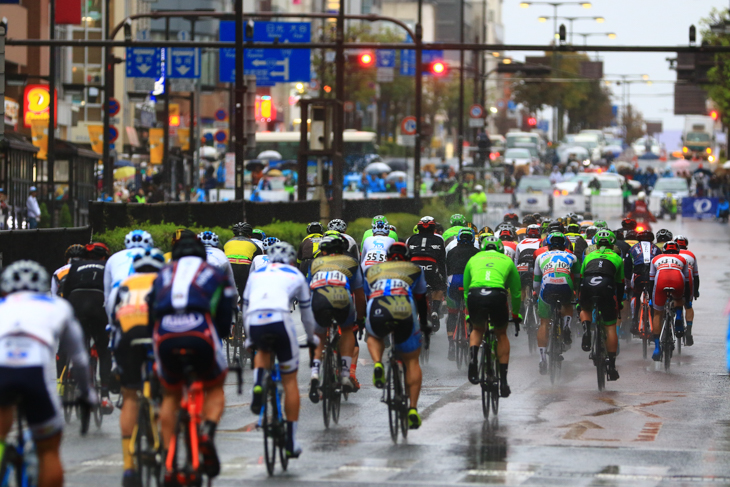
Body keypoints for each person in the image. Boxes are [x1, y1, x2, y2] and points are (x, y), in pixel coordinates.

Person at [0, 260, 95, 487]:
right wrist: (87, 393)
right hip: (35, 376)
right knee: (49, 450)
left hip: (3, 373)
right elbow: (80, 359)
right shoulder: (57, 307)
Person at [148, 236, 236, 480]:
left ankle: (167, 459)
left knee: (171, 393)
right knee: (216, 385)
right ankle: (206, 430)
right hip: (200, 331)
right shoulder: (214, 272)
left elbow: (151, 311)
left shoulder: (162, 273)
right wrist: (216, 338)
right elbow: (226, 313)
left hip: (165, 333)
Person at [244, 241, 318, 459]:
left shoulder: (257, 274)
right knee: (289, 380)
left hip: (255, 321)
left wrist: (249, 338)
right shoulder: (295, 274)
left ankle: (258, 383)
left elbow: (246, 306)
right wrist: (311, 337)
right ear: (292, 260)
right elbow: (306, 313)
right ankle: (291, 441)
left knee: (262, 351)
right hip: (279, 321)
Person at [110, 248, 165, 487]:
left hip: (128, 337)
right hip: (155, 335)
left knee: (130, 395)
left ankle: (129, 467)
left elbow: (112, 321)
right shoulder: (165, 281)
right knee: (168, 390)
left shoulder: (123, 284)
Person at [363, 242, 430, 429]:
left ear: (386, 258)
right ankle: (413, 409)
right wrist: (424, 324)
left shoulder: (372, 270)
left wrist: (361, 320)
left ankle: (378, 363)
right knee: (412, 361)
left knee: (374, 336)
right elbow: (421, 300)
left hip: (378, 308)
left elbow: (367, 296)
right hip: (404, 310)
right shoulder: (414, 269)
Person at [307, 235, 366, 397]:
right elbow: (360, 295)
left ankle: (314, 372)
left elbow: (307, 292)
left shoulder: (314, 263)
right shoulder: (351, 263)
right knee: (347, 331)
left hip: (319, 301)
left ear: (323, 251)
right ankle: (346, 374)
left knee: (318, 334)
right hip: (342, 300)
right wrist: (360, 319)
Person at [463, 236, 521, 396]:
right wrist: (516, 314)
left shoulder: (473, 259)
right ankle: (503, 381)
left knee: (477, 329)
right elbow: (516, 292)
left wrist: (470, 314)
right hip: (496, 295)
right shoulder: (507, 260)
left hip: (476, 294)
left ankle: (473, 360)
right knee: (501, 334)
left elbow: (467, 291)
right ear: (501, 249)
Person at [63, 242, 115, 414]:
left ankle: (74, 373)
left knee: (79, 343)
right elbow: (112, 291)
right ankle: (105, 396)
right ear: (104, 256)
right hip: (98, 303)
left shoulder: (75, 265)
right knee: (103, 348)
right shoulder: (107, 266)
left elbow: (67, 290)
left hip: (76, 301)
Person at [578, 230, 624, 381]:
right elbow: (620, 284)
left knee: (585, 308)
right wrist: (619, 302)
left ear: (596, 243)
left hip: (588, 283)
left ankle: (586, 328)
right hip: (606, 284)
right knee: (610, 326)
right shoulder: (617, 257)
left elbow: (581, 276)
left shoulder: (589, 255)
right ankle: (611, 365)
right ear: (612, 243)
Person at [534, 232, 580, 374]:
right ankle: (566, 326)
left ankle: (542, 359)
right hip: (565, 284)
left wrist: (538, 296)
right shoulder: (572, 256)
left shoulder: (540, 257)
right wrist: (576, 294)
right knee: (567, 304)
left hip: (547, 286)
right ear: (565, 244)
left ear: (547, 244)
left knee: (544, 322)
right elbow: (578, 279)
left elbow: (536, 283)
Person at [648, 241, 690, 362]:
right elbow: (687, 282)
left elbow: (651, 281)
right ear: (677, 251)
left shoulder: (656, 258)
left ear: (663, 251)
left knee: (657, 313)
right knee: (678, 298)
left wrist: (652, 299)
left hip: (661, 280)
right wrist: (686, 299)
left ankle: (656, 348)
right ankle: (677, 315)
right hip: (678, 280)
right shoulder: (682, 258)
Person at [104, 230, 154, 329]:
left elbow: (107, 294)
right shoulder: (153, 255)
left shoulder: (113, 258)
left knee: (114, 329)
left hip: (117, 291)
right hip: (145, 291)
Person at [445, 228, 480, 361]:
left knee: (452, 313)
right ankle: (471, 335)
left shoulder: (452, 251)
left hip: (453, 281)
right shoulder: (477, 252)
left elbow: (447, 269)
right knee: (471, 311)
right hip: (470, 282)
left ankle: (451, 345)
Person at [406, 216, 447, 329]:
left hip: (414, 268)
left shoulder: (410, 239)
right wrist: (444, 281)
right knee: (438, 288)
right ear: (433, 229)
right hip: (431, 267)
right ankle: (434, 311)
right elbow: (442, 261)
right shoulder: (439, 239)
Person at [224, 222, 264, 299]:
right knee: (244, 290)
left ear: (233, 235)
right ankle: (243, 303)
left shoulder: (227, 243)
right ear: (249, 236)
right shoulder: (253, 244)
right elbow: (258, 259)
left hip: (229, 266)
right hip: (244, 267)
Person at [674, 235, 699, 346]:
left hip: (674, 278)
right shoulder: (691, 255)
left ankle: (678, 315)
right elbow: (696, 276)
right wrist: (696, 291)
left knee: (675, 298)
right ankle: (688, 330)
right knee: (688, 305)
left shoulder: (671, 254)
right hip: (689, 279)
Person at [515, 224, 542, 313]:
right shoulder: (542, 242)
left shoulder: (521, 243)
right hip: (535, 265)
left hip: (522, 266)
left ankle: (521, 306)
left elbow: (516, 260)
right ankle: (538, 302)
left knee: (522, 286)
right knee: (539, 284)